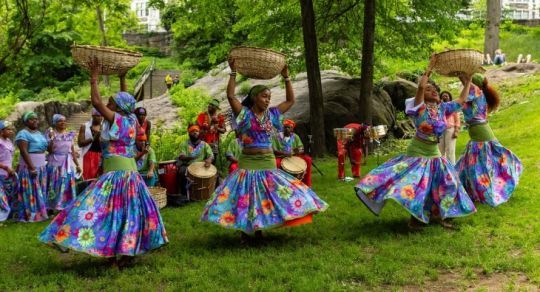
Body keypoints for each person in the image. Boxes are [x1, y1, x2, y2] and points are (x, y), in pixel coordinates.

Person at [40, 60, 167, 265]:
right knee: (125, 213)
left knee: (101, 209)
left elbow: (97, 103)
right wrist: (122, 78)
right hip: (129, 175)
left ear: (118, 108)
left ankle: (118, 251)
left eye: (112, 103)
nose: (107, 105)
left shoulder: (117, 119)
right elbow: (126, 100)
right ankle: (123, 251)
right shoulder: (132, 119)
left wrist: (93, 78)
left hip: (117, 175)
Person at [201, 59, 328, 240]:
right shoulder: (244, 114)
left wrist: (286, 77)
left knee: (263, 197)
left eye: (269, 97)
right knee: (247, 197)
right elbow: (231, 97)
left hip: (267, 161)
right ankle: (246, 231)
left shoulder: (274, 115)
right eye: (264, 96)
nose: (267, 100)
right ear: (254, 97)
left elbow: (291, 100)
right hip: (248, 162)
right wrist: (233, 72)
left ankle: (259, 229)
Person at [354, 56, 476, 229]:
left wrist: (468, 81)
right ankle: (416, 220)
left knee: (449, 182)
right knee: (418, 186)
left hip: (434, 153)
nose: (432, 90)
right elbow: (419, 87)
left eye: (434, 89)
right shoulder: (419, 107)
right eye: (428, 89)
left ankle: (441, 215)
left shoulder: (443, 108)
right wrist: (429, 69)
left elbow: (462, 100)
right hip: (417, 153)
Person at [455, 74, 523, 207]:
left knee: (484, 162)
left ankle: (489, 189)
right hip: (477, 134)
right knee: (474, 164)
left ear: (475, 85)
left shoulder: (478, 93)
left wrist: (462, 76)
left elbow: (467, 84)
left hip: (481, 133)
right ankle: (472, 189)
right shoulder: (474, 94)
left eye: (469, 83)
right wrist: (461, 76)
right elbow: (465, 88)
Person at [12, 111, 49, 222]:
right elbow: (23, 151)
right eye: (31, 119)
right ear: (26, 121)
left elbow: (46, 148)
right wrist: (32, 167)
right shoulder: (23, 134)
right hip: (30, 167)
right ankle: (30, 214)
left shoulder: (39, 133)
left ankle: (40, 213)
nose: (35, 121)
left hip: (41, 166)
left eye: (36, 119)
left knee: (39, 190)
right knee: (30, 191)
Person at [45, 114, 81, 211]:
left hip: (67, 165)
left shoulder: (69, 135)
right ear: (55, 123)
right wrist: (52, 138)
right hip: (55, 164)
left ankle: (65, 205)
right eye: (60, 121)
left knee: (66, 185)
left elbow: (72, 151)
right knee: (54, 185)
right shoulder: (52, 134)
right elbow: (50, 150)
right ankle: (51, 206)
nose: (63, 123)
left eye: (64, 121)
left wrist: (77, 165)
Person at [177, 124, 213, 199]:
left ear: (199, 133)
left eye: (196, 131)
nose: (195, 133)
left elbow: (211, 155)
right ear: (189, 133)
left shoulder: (204, 144)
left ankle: (210, 193)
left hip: (202, 166)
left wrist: (209, 160)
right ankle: (184, 195)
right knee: (181, 171)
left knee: (215, 173)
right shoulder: (184, 144)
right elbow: (181, 156)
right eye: (192, 131)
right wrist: (190, 158)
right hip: (188, 166)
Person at [273, 119, 313, 187]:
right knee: (276, 163)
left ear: (292, 129)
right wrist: (284, 153)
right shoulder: (276, 137)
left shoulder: (295, 136)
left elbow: (301, 148)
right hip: (281, 157)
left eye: (289, 127)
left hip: (294, 156)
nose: (287, 129)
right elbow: (273, 150)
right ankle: (278, 184)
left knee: (308, 159)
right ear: (283, 128)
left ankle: (307, 183)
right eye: (285, 127)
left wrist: (297, 151)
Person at [196, 98, 226, 163]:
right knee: (200, 162)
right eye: (209, 104)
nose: (209, 106)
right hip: (202, 142)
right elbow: (196, 129)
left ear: (216, 108)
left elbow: (224, 130)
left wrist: (217, 128)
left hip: (214, 143)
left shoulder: (219, 117)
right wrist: (211, 123)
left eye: (212, 105)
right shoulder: (202, 115)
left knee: (212, 163)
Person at [78, 108, 103, 180]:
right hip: (89, 155)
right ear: (93, 116)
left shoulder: (104, 127)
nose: (100, 118)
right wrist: (94, 137)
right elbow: (80, 143)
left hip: (102, 155)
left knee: (101, 178)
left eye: (101, 116)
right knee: (89, 178)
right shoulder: (85, 126)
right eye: (98, 116)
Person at [438, 91, 460, 164]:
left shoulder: (453, 107)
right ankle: (441, 167)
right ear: (440, 98)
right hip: (440, 131)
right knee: (439, 150)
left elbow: (457, 121)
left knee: (450, 150)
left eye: (446, 96)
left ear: (450, 98)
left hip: (450, 130)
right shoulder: (438, 107)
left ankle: (452, 169)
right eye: (443, 96)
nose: (445, 97)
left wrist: (456, 131)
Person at [0, 121, 16, 222]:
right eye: (8, 129)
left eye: (11, 129)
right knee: (2, 197)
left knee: (9, 195)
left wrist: (11, 168)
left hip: (8, 173)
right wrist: (5, 167)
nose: (11, 131)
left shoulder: (9, 141)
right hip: (1, 172)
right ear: (1, 131)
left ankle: (8, 217)